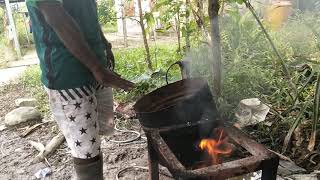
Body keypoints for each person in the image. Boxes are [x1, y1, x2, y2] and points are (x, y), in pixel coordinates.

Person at [25, 0, 134, 179]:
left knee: (93, 139)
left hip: (96, 66)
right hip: (69, 76)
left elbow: (85, 11)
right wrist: (97, 68)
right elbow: (57, 19)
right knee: (86, 151)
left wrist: (104, 44)